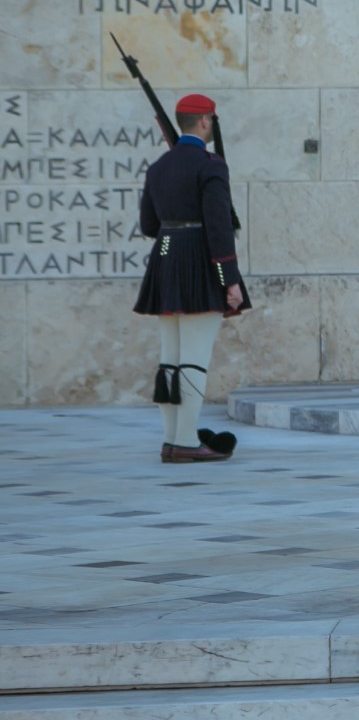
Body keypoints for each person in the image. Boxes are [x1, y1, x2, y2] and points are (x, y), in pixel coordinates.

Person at [133, 93, 249, 464]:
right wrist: (229, 280)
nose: (213, 127)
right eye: (212, 121)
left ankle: (172, 439)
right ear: (203, 121)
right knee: (194, 360)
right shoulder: (210, 165)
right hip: (199, 260)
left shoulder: (159, 167)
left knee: (170, 361)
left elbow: (150, 225)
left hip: (165, 259)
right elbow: (218, 228)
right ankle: (185, 442)